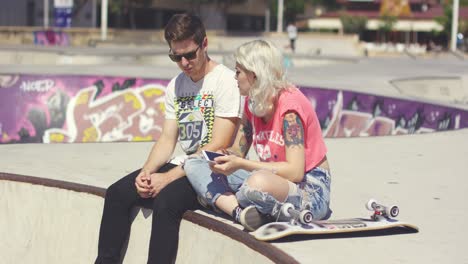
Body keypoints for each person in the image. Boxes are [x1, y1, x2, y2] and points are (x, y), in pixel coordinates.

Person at [95, 13, 241, 264]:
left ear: (204, 44)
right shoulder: (176, 85)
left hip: (213, 169)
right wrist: (147, 172)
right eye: (176, 56)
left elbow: (219, 144)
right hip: (183, 163)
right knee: (117, 193)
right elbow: (167, 139)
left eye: (189, 55)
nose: (184, 62)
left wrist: (168, 178)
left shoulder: (226, 81)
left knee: (165, 202)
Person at [184, 40, 332, 231]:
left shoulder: (290, 109)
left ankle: (224, 201)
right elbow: (239, 149)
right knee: (194, 163)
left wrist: (242, 164)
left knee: (254, 185)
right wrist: (224, 157)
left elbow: (295, 172)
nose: (234, 78)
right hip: (273, 181)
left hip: (309, 189)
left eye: (238, 72)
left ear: (253, 75)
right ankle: (240, 212)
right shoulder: (252, 103)